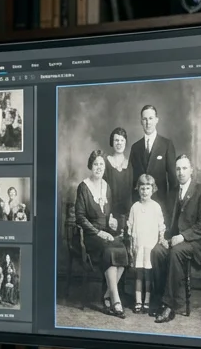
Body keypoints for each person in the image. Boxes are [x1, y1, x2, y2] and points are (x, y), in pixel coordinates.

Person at [150, 155, 201, 323]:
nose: (181, 172)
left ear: (191, 170)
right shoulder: (173, 193)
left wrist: (183, 236)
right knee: (157, 251)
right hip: (175, 239)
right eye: (178, 169)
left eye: (184, 168)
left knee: (176, 252)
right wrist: (163, 237)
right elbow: (168, 222)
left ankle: (169, 305)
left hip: (194, 243)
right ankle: (159, 300)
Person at [74, 150, 128, 317]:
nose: (99, 167)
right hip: (91, 236)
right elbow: (80, 218)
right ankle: (116, 301)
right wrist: (99, 233)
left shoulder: (107, 186)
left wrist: (112, 223)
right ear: (91, 166)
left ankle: (106, 295)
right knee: (110, 251)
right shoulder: (83, 187)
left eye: (101, 164)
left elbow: (108, 214)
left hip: (106, 233)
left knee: (123, 250)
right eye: (96, 164)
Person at [125, 173, 165, 313]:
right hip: (139, 245)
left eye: (148, 188)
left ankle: (146, 301)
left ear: (152, 189)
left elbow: (161, 225)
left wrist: (161, 238)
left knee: (148, 274)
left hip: (150, 246)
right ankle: (138, 301)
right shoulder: (135, 207)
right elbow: (130, 227)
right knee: (138, 274)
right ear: (138, 189)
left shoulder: (156, 207)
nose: (144, 191)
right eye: (142, 188)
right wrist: (131, 245)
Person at [131, 105, 176, 210]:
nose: (148, 122)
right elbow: (132, 181)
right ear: (141, 121)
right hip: (139, 205)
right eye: (145, 119)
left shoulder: (167, 145)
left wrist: (169, 207)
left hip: (160, 205)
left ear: (156, 120)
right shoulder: (135, 147)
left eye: (151, 118)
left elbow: (173, 181)